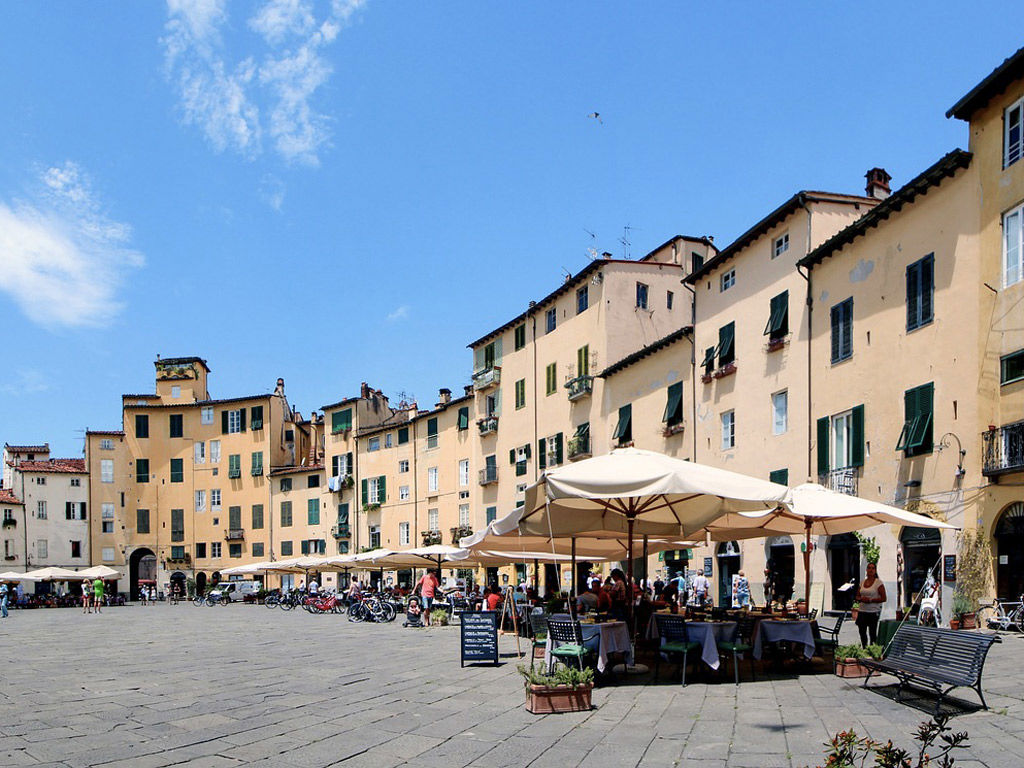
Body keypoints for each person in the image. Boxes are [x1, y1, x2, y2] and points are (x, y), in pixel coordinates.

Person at [855, 562, 886, 646]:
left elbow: (884, 598)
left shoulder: (878, 583)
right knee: (862, 632)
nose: (871, 570)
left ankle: (872, 650)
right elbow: (857, 596)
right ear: (866, 570)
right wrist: (861, 599)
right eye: (869, 568)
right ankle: (864, 648)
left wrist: (870, 600)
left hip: (873, 612)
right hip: (862, 611)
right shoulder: (862, 583)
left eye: (873, 568)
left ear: (875, 571)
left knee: (872, 633)